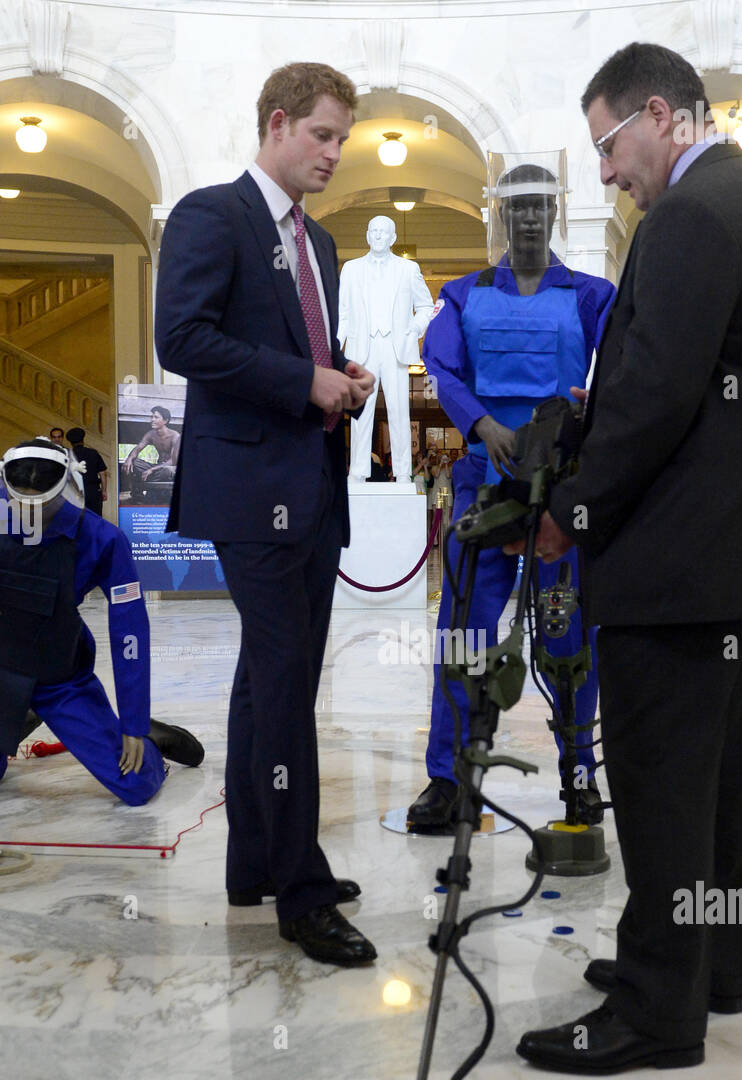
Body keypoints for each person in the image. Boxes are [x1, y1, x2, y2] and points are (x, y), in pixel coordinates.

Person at [512, 43, 742, 1077]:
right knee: (715, 779)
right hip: (731, 554)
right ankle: (706, 967)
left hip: (677, 552)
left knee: (659, 780)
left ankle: (656, 1010)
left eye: (607, 144)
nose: (605, 170)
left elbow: (657, 390)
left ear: (660, 114)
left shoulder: (693, 214)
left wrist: (571, 503)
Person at [155, 61, 378, 967]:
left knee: (266, 680)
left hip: (314, 483)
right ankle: (302, 890)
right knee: (286, 685)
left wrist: (344, 378)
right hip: (251, 489)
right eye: (323, 134)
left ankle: (253, 860)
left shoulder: (317, 244)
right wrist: (303, 381)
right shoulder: (215, 213)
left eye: (343, 139)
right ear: (278, 124)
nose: (334, 153)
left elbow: (300, 347)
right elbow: (183, 338)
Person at [406, 161, 616, 831]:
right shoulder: (463, 295)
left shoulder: (591, 295)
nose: (528, 217)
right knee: (463, 635)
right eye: (516, 206)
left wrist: (580, 424)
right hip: (482, 486)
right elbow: (439, 366)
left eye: (538, 206)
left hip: (559, 490)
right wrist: (479, 421)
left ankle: (577, 776)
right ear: (499, 212)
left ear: (553, 213)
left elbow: (615, 371)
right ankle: (448, 779)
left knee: (567, 636)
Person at [0, 439, 203, 800]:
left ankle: (153, 738)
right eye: (17, 500)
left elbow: (130, 633)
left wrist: (134, 721)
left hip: (57, 676)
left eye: (41, 503)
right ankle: (23, 712)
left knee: (135, 784)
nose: (27, 511)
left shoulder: (102, 539)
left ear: (63, 488)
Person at [338, 215, 435, 482]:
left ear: (393, 238)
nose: (378, 236)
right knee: (360, 410)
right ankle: (357, 471)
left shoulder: (407, 269)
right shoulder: (351, 269)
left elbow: (426, 307)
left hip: (395, 347)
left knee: (399, 410)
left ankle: (403, 472)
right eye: (374, 231)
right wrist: (335, 350)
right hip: (362, 347)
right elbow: (342, 313)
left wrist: (414, 329)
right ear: (367, 235)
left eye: (384, 232)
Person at [121, 407, 181, 502]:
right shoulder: (151, 434)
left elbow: (173, 461)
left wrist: (151, 470)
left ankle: (143, 484)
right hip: (157, 468)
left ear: (165, 420)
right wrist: (129, 459)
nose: (152, 419)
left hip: (170, 468)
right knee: (134, 462)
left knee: (167, 470)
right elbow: (138, 448)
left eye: (156, 417)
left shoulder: (175, 436)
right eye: (152, 417)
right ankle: (140, 492)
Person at [66, 427, 107, 516]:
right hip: (93, 491)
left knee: (76, 518)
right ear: (83, 440)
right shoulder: (93, 453)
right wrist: (104, 491)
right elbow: (102, 473)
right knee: (95, 519)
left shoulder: (67, 455)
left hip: (75, 491)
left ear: (71, 442)